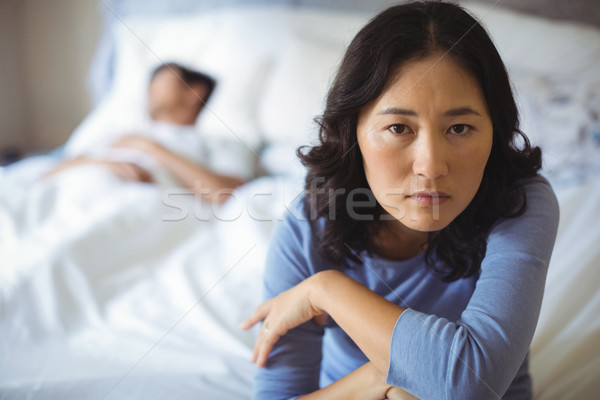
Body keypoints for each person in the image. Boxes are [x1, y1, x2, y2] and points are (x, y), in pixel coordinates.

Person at [240, 2, 559, 399]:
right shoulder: (310, 224)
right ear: (352, 130)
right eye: (398, 127)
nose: (430, 165)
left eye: (459, 127)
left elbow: (471, 384)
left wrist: (325, 290)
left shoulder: (520, 201)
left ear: (494, 130)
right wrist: (383, 378)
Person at [45, 63, 245, 204]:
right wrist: (104, 164)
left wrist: (150, 148)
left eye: (160, 80)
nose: (149, 89)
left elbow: (226, 195)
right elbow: (48, 173)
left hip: (138, 205)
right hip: (76, 193)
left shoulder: (218, 142)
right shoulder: (122, 136)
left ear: (195, 92)